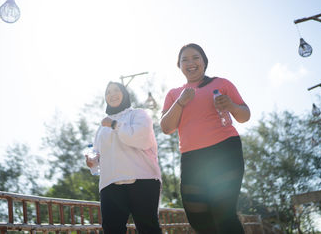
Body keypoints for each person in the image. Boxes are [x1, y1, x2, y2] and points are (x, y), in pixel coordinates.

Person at [160, 43, 250, 234]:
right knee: (198, 219)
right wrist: (180, 103)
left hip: (224, 151)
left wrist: (231, 106)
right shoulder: (174, 94)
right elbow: (166, 127)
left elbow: (244, 115)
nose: (190, 63)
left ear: (204, 62)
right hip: (192, 158)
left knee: (223, 212)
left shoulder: (221, 84)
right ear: (179, 65)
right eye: (185, 59)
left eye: (195, 57)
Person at [86, 82, 162, 234]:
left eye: (116, 90)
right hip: (110, 183)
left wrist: (115, 124)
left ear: (125, 94)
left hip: (142, 179)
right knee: (112, 230)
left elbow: (142, 139)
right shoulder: (101, 127)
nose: (112, 94)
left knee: (148, 228)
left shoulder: (138, 114)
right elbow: (97, 154)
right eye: (108, 92)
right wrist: (92, 162)